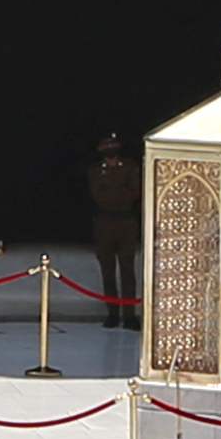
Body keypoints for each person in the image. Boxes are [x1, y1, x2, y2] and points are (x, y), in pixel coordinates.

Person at [87, 133, 142, 314]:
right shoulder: (96, 170)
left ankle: (129, 314)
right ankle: (112, 312)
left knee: (127, 270)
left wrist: (117, 196)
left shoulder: (130, 167)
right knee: (107, 270)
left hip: (126, 222)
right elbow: (98, 196)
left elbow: (134, 192)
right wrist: (118, 194)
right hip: (104, 223)